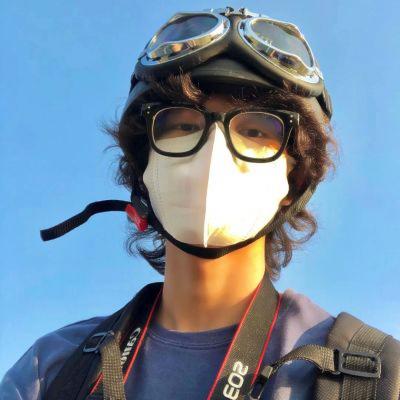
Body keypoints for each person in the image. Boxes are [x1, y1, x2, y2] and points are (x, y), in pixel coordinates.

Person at [1, 6, 398, 400]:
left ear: (293, 182)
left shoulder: (374, 379)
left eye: (255, 130)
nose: (213, 155)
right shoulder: (48, 372)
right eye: (182, 125)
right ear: (143, 171)